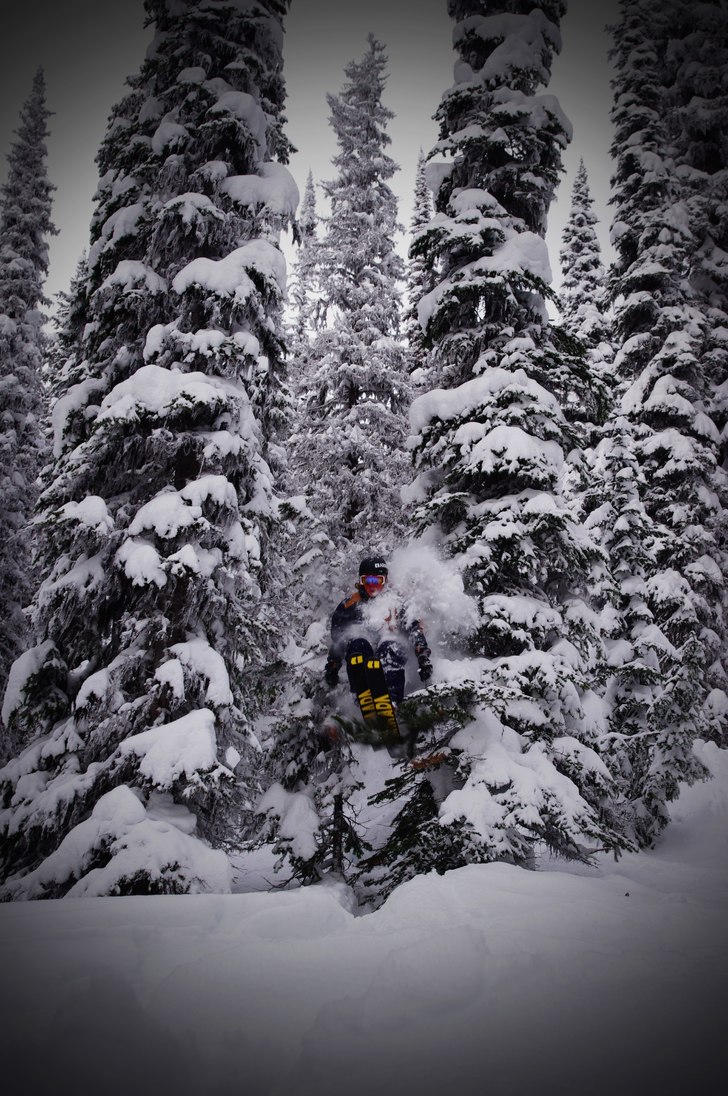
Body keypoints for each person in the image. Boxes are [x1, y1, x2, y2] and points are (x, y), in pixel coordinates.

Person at [323, 555, 432, 706]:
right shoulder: (349, 606)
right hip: (364, 652)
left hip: (390, 648)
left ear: (385, 580)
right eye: (368, 581)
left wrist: (423, 656)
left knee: (390, 647)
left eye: (377, 580)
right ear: (361, 581)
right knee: (357, 645)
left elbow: (414, 628)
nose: (372, 586)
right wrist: (333, 665)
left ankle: (390, 698)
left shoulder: (397, 602)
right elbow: (340, 637)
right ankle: (363, 692)